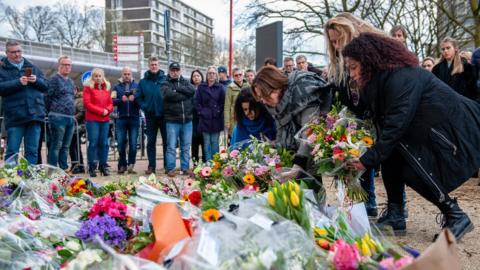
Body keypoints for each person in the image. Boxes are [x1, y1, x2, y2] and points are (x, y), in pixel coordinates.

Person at [344, 32, 479, 241]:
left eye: (353, 67)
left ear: (369, 61)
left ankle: (456, 215)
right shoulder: (379, 79)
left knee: (414, 168)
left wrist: (367, 159)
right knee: (391, 159)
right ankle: (396, 215)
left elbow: (395, 125)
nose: (351, 74)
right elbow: (370, 113)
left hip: (452, 129)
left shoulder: (401, 77)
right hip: (429, 129)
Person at [324, 13, 385, 217]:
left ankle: (385, 206)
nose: (336, 45)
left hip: (374, 116)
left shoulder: (367, 55)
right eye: (332, 42)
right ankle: (363, 204)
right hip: (352, 117)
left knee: (374, 161)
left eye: (338, 40)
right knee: (353, 159)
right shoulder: (337, 64)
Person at [251, 66, 331, 194]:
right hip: (297, 153)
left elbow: (310, 131)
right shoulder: (278, 104)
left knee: (311, 195)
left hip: (311, 151)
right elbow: (282, 131)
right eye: (260, 97)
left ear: (275, 86)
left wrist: (298, 165)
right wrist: (273, 148)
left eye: (265, 95)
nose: (263, 101)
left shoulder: (302, 91)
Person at [0, 40, 48, 164]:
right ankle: (10, 181)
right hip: (15, 116)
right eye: (13, 52)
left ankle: (29, 181)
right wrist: (18, 83)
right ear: (7, 53)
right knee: (12, 152)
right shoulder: (2, 69)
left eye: (19, 51)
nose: (17, 54)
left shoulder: (32, 67)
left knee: (32, 151)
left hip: (34, 115)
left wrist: (36, 80)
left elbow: (46, 86)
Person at [162, 62, 195, 177]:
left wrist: (177, 89)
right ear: (169, 71)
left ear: (180, 71)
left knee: (186, 146)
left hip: (187, 120)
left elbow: (192, 91)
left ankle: (185, 168)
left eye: (177, 70)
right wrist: (184, 93)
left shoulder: (186, 82)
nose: (175, 72)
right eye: (173, 70)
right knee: (171, 146)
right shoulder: (165, 83)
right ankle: (170, 168)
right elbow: (169, 95)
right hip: (172, 120)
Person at [135, 56, 167, 174]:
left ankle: (167, 166)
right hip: (150, 116)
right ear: (149, 66)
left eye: (156, 64)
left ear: (159, 65)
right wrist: (145, 106)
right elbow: (138, 97)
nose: (154, 66)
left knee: (166, 142)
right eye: (152, 64)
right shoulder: (143, 82)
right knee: (151, 142)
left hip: (164, 116)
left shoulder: (165, 80)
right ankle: (151, 166)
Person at [45, 55, 76, 170]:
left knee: (66, 146)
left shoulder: (71, 82)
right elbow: (47, 97)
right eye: (64, 65)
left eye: (69, 65)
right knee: (56, 145)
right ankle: (52, 170)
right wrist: (52, 111)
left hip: (70, 117)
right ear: (59, 66)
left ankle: (63, 170)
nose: (67, 67)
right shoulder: (53, 79)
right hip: (57, 117)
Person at [83, 68, 113, 177]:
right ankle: (92, 166)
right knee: (93, 143)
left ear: (103, 77)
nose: (98, 78)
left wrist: (108, 110)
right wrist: (102, 111)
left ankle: (103, 165)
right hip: (93, 120)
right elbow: (87, 104)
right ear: (92, 77)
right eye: (96, 76)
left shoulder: (106, 89)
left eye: (100, 76)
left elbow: (110, 103)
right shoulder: (88, 88)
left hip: (105, 120)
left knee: (104, 143)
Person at [112, 66, 140, 174]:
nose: (127, 76)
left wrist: (135, 99)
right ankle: (122, 165)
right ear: (122, 74)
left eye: (128, 74)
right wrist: (120, 100)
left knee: (133, 144)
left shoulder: (137, 86)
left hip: (134, 118)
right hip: (121, 119)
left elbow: (141, 100)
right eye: (125, 74)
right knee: (120, 144)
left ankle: (131, 165)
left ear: (131, 75)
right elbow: (112, 101)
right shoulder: (116, 87)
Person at [196, 66, 225, 161]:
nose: (211, 75)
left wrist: (217, 112)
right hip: (205, 119)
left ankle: (215, 164)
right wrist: (201, 112)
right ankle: (208, 163)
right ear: (207, 75)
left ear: (216, 75)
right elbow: (197, 102)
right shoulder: (201, 87)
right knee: (207, 142)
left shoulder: (220, 87)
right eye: (209, 73)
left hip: (216, 119)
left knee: (215, 142)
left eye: (213, 73)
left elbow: (223, 103)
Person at [224, 67, 250, 138]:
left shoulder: (248, 86)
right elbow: (227, 105)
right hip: (234, 118)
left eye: (240, 74)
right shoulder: (230, 88)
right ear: (233, 77)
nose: (238, 76)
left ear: (243, 75)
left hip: (246, 117)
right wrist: (227, 122)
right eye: (236, 75)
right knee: (235, 138)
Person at [69, 86, 85, 174]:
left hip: (78, 126)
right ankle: (79, 165)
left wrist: (72, 119)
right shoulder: (73, 99)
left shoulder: (79, 99)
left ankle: (76, 165)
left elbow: (82, 112)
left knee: (73, 146)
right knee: (75, 146)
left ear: (76, 90)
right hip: (75, 126)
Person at [190, 69, 205, 163]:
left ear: (201, 77)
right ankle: (195, 164)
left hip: (203, 119)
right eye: (194, 76)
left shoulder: (205, 88)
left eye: (198, 76)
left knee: (204, 142)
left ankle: (205, 164)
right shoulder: (189, 88)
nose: (196, 78)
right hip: (193, 120)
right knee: (194, 143)